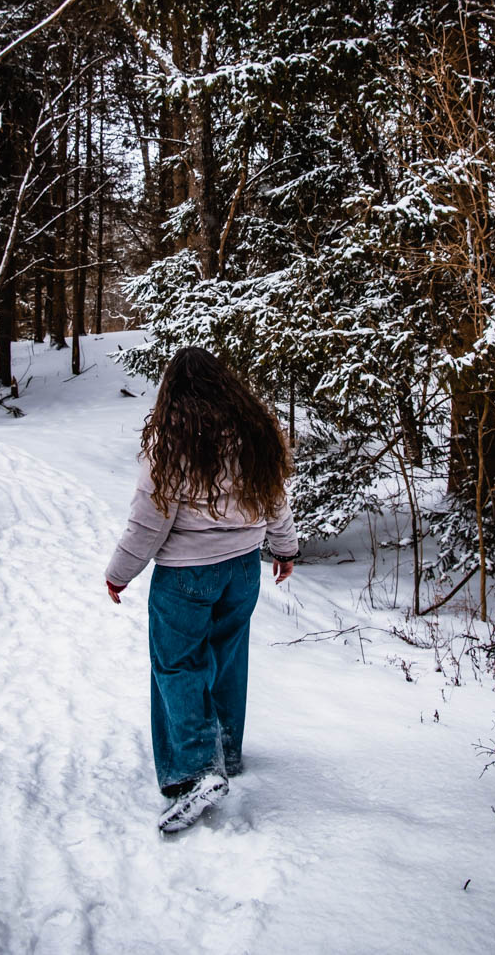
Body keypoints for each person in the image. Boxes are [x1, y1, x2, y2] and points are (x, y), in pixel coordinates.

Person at [105, 346, 299, 833]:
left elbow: (148, 521)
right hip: (242, 571)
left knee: (177, 665)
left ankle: (195, 772)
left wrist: (119, 573)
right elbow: (275, 498)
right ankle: (226, 753)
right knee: (227, 659)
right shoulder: (256, 432)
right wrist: (285, 549)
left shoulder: (173, 442)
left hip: (186, 576)